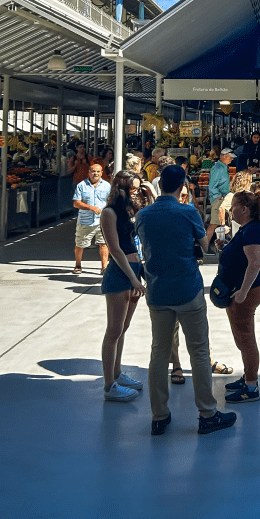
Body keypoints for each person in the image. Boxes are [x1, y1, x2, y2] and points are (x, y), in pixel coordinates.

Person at [136, 164, 237, 436]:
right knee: (199, 351)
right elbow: (204, 245)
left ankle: (159, 416)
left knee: (159, 352)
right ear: (182, 186)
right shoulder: (187, 211)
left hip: (157, 290)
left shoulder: (143, 215)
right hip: (188, 289)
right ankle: (207, 413)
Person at [216, 190, 260, 403]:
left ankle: (251, 387)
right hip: (242, 291)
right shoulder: (248, 229)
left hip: (247, 293)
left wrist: (242, 292)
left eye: (233, 207)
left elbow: (255, 262)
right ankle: (248, 377)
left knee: (246, 338)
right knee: (242, 337)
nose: (230, 210)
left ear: (244, 209)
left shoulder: (252, 231)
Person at [100, 170, 148, 401]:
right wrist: (132, 277)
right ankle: (109, 384)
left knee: (123, 328)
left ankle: (117, 373)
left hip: (134, 271)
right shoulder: (109, 213)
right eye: (132, 189)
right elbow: (115, 249)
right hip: (121, 274)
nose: (135, 193)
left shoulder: (130, 211)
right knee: (114, 330)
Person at [72, 162, 111, 274]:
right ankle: (78, 265)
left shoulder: (107, 186)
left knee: (103, 243)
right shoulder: (81, 185)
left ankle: (104, 267)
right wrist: (90, 207)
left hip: (102, 220)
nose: (96, 173)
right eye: (93, 171)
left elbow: (110, 201)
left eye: (98, 171)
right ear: (89, 172)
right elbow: (76, 203)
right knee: (80, 244)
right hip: (85, 221)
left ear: (101, 173)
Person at [207, 148, 234, 234]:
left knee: (220, 223)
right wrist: (218, 197)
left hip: (222, 198)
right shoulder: (218, 168)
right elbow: (212, 186)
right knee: (214, 223)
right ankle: (205, 246)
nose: (231, 159)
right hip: (218, 199)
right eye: (230, 158)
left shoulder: (223, 167)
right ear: (224, 156)